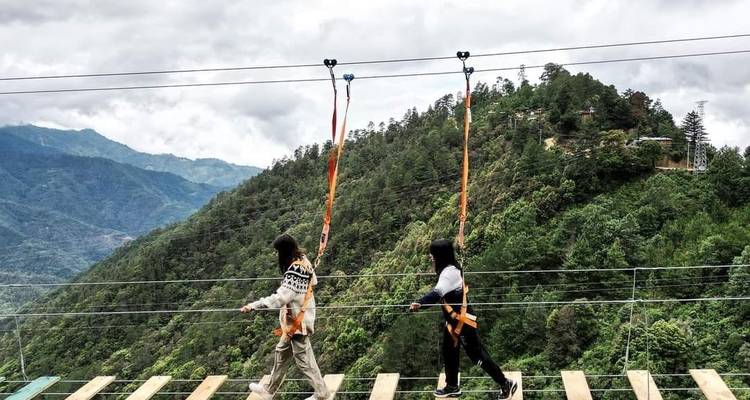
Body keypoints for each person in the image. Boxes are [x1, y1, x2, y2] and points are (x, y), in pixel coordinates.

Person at [410, 239, 517, 399]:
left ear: (440, 255)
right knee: (449, 352)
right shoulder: (450, 268)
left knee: (478, 356)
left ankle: (505, 382)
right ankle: (452, 386)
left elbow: (437, 293)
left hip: (462, 322)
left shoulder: (448, 274)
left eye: (432, 254)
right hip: (454, 322)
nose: (430, 257)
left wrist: (420, 304)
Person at [241, 234, 329, 400]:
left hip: (298, 323)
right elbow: (314, 281)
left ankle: (322, 394)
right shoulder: (303, 260)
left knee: (304, 361)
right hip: (295, 321)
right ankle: (268, 390)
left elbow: (280, 298)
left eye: (278, 252)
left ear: (284, 251)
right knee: (281, 353)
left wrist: (254, 305)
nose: (276, 256)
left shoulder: (295, 270)